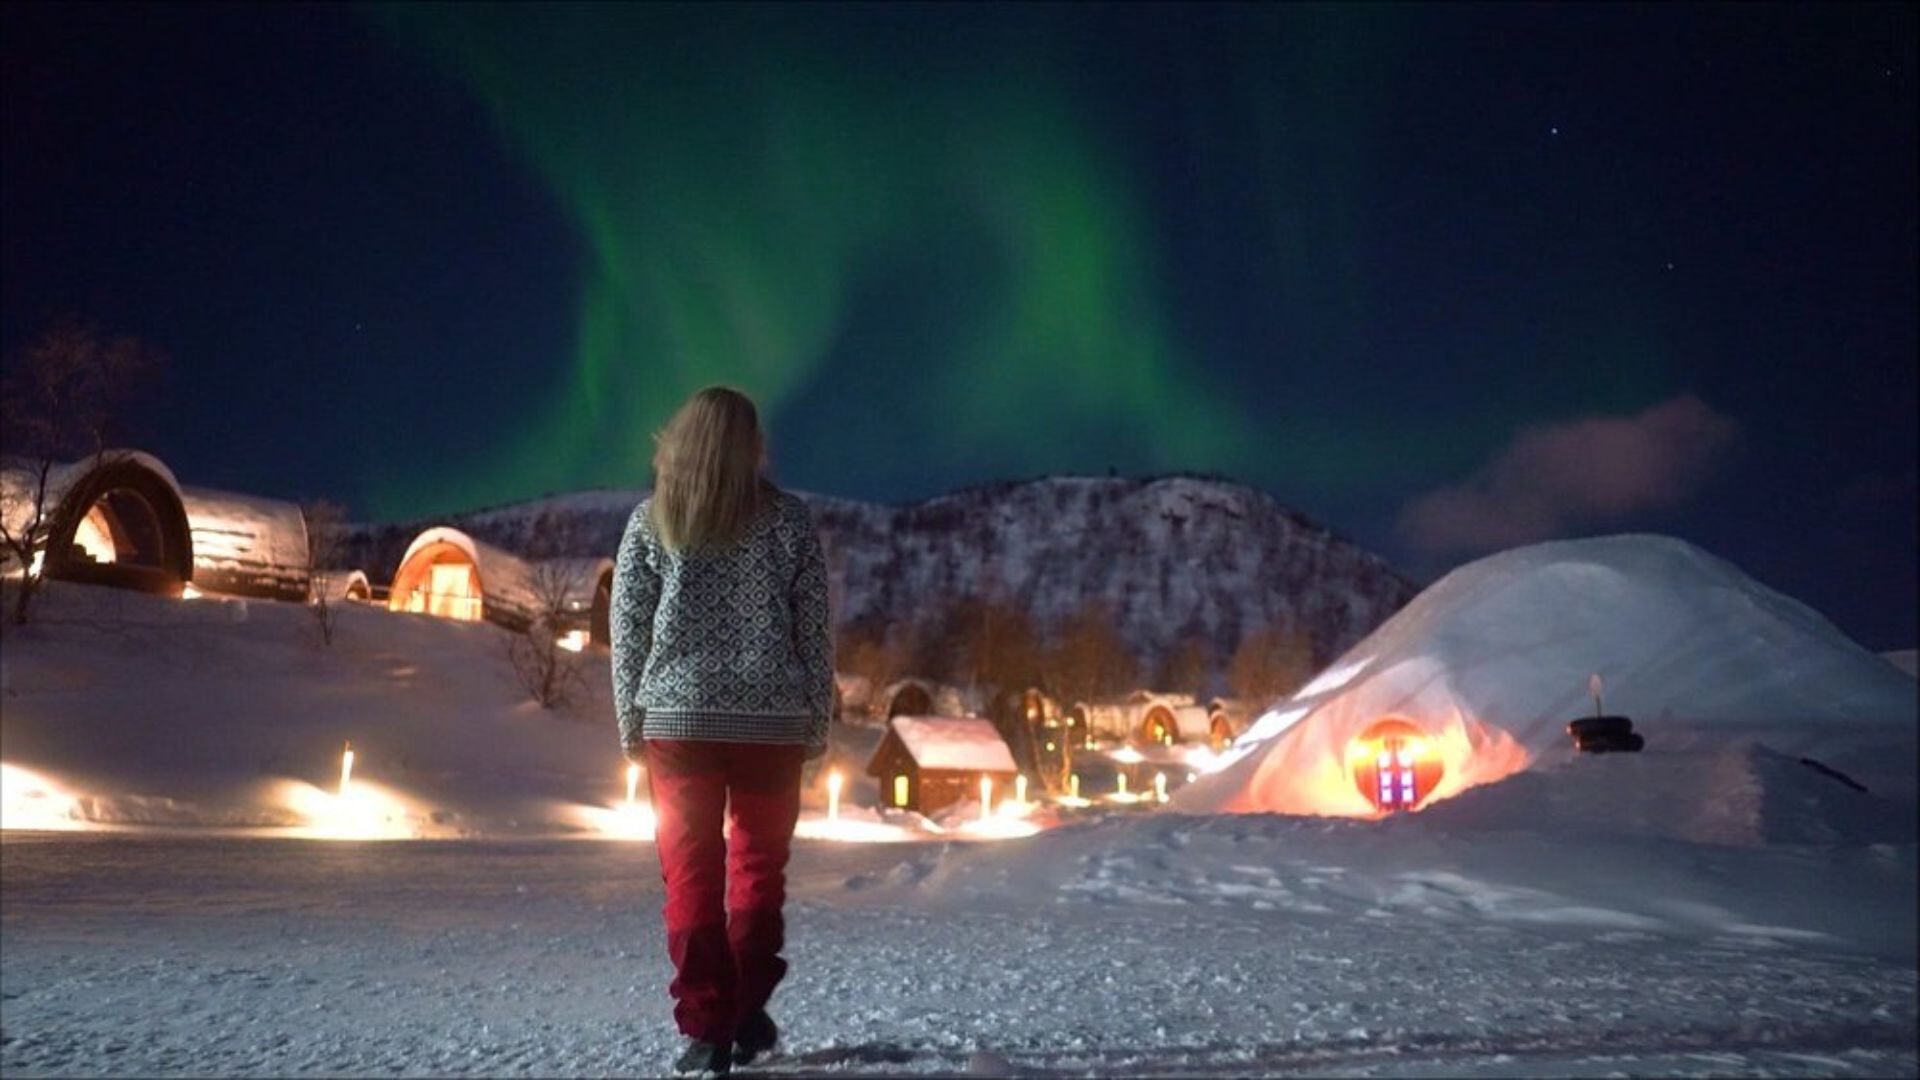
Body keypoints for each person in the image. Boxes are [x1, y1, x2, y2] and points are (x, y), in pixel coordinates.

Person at [611, 386, 835, 1077]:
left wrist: (631, 722)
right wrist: (816, 724)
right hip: (773, 726)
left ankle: (710, 1028)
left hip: (679, 725)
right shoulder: (790, 522)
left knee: (692, 878)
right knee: (758, 874)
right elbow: (815, 631)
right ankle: (742, 1008)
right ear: (752, 446)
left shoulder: (652, 523)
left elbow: (627, 632)